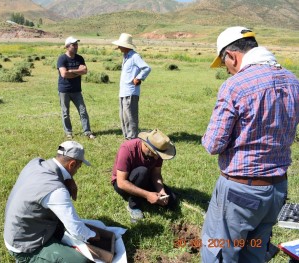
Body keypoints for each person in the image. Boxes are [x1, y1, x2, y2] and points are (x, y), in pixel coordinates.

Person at [201, 26, 299, 263]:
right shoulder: (293, 81)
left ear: (231, 56)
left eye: (225, 64)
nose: (227, 70)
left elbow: (213, 144)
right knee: (254, 251)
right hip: (276, 190)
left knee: (219, 251)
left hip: (240, 191)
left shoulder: (236, 86)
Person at [4, 141, 100, 263]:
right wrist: (93, 235)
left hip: (19, 230)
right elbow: (76, 229)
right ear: (72, 164)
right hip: (24, 246)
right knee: (80, 261)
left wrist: (68, 179)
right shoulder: (56, 190)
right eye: (78, 167)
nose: (77, 171)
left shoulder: (36, 163)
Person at [111, 129, 178, 222]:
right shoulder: (127, 148)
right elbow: (121, 182)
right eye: (155, 154)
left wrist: (161, 191)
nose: (156, 158)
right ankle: (134, 206)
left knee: (172, 200)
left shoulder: (158, 152)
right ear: (147, 146)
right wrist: (147, 195)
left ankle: (145, 196)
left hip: (145, 178)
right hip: (123, 184)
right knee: (142, 171)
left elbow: (156, 174)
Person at [112, 33, 151, 140]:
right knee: (123, 117)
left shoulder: (135, 56)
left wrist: (138, 78)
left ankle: (132, 138)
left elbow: (146, 68)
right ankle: (127, 137)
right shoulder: (126, 57)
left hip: (131, 91)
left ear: (126, 46)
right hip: (123, 91)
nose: (119, 47)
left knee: (130, 117)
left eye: (120, 45)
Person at [57, 36, 95, 140]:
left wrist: (71, 71)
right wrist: (78, 71)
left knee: (83, 111)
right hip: (64, 90)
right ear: (67, 46)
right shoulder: (62, 59)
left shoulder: (80, 58)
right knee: (65, 113)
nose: (76, 46)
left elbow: (85, 71)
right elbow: (64, 74)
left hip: (77, 90)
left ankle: (87, 131)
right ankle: (68, 132)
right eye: (74, 45)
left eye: (76, 44)